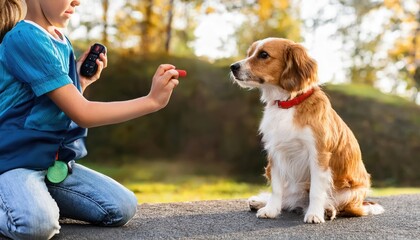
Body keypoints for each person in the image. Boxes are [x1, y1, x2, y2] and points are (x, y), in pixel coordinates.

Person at [0, 0, 181, 239]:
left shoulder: (59, 40)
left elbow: (57, 110)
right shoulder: (24, 38)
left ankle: (30, 199)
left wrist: (81, 83)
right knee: (36, 226)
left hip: (48, 162)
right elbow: (82, 113)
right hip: (14, 160)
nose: (77, 1)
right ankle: (21, 203)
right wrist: (151, 101)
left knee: (121, 206)